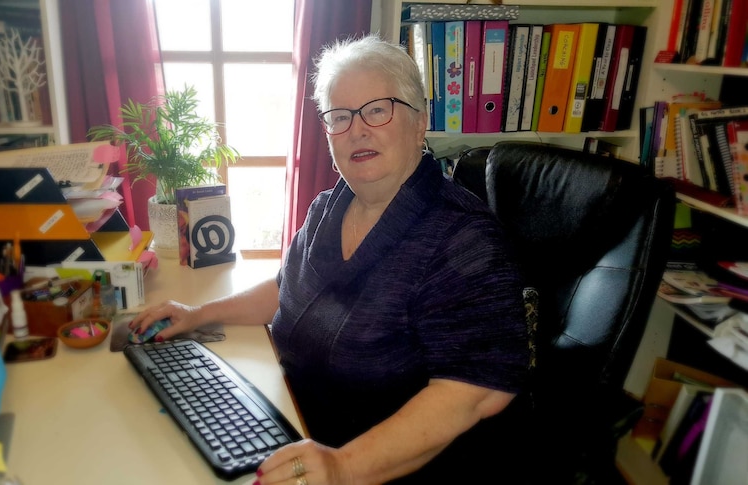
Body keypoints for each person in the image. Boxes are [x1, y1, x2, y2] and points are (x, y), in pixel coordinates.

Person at [130, 34, 531, 484]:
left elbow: (477, 392)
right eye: (339, 116)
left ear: (419, 123)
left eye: (377, 110)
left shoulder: (463, 237)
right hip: (296, 421)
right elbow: (287, 289)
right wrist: (198, 314)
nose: (357, 130)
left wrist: (343, 467)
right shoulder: (328, 207)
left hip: (382, 466)